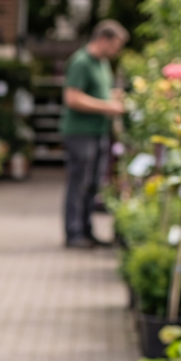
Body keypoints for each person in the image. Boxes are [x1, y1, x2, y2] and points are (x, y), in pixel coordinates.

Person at [60, 19, 128, 248]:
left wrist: (113, 97)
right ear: (103, 40)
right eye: (115, 46)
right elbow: (72, 98)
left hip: (99, 132)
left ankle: (86, 231)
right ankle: (74, 232)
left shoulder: (103, 64)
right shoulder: (81, 61)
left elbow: (99, 93)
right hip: (80, 132)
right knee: (80, 183)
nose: (116, 51)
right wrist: (107, 106)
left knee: (93, 184)